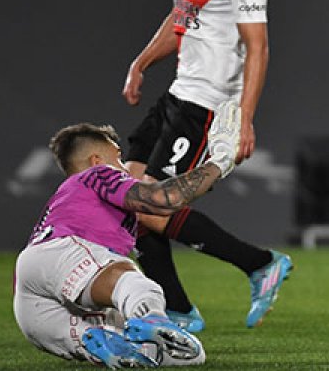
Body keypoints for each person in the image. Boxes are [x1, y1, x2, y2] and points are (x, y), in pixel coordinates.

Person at [121, 0, 291, 331]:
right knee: (128, 202)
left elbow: (258, 47)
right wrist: (142, 62)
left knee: (153, 209)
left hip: (209, 105)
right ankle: (176, 311)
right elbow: (180, 22)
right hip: (178, 93)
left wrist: (245, 119)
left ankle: (258, 264)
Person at [13, 100, 239, 367]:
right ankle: (151, 317)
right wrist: (221, 161)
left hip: (31, 298)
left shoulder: (68, 196)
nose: (123, 166)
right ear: (97, 160)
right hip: (67, 256)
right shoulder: (98, 174)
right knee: (142, 289)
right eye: (118, 157)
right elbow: (164, 199)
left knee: (187, 355)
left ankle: (93, 340)